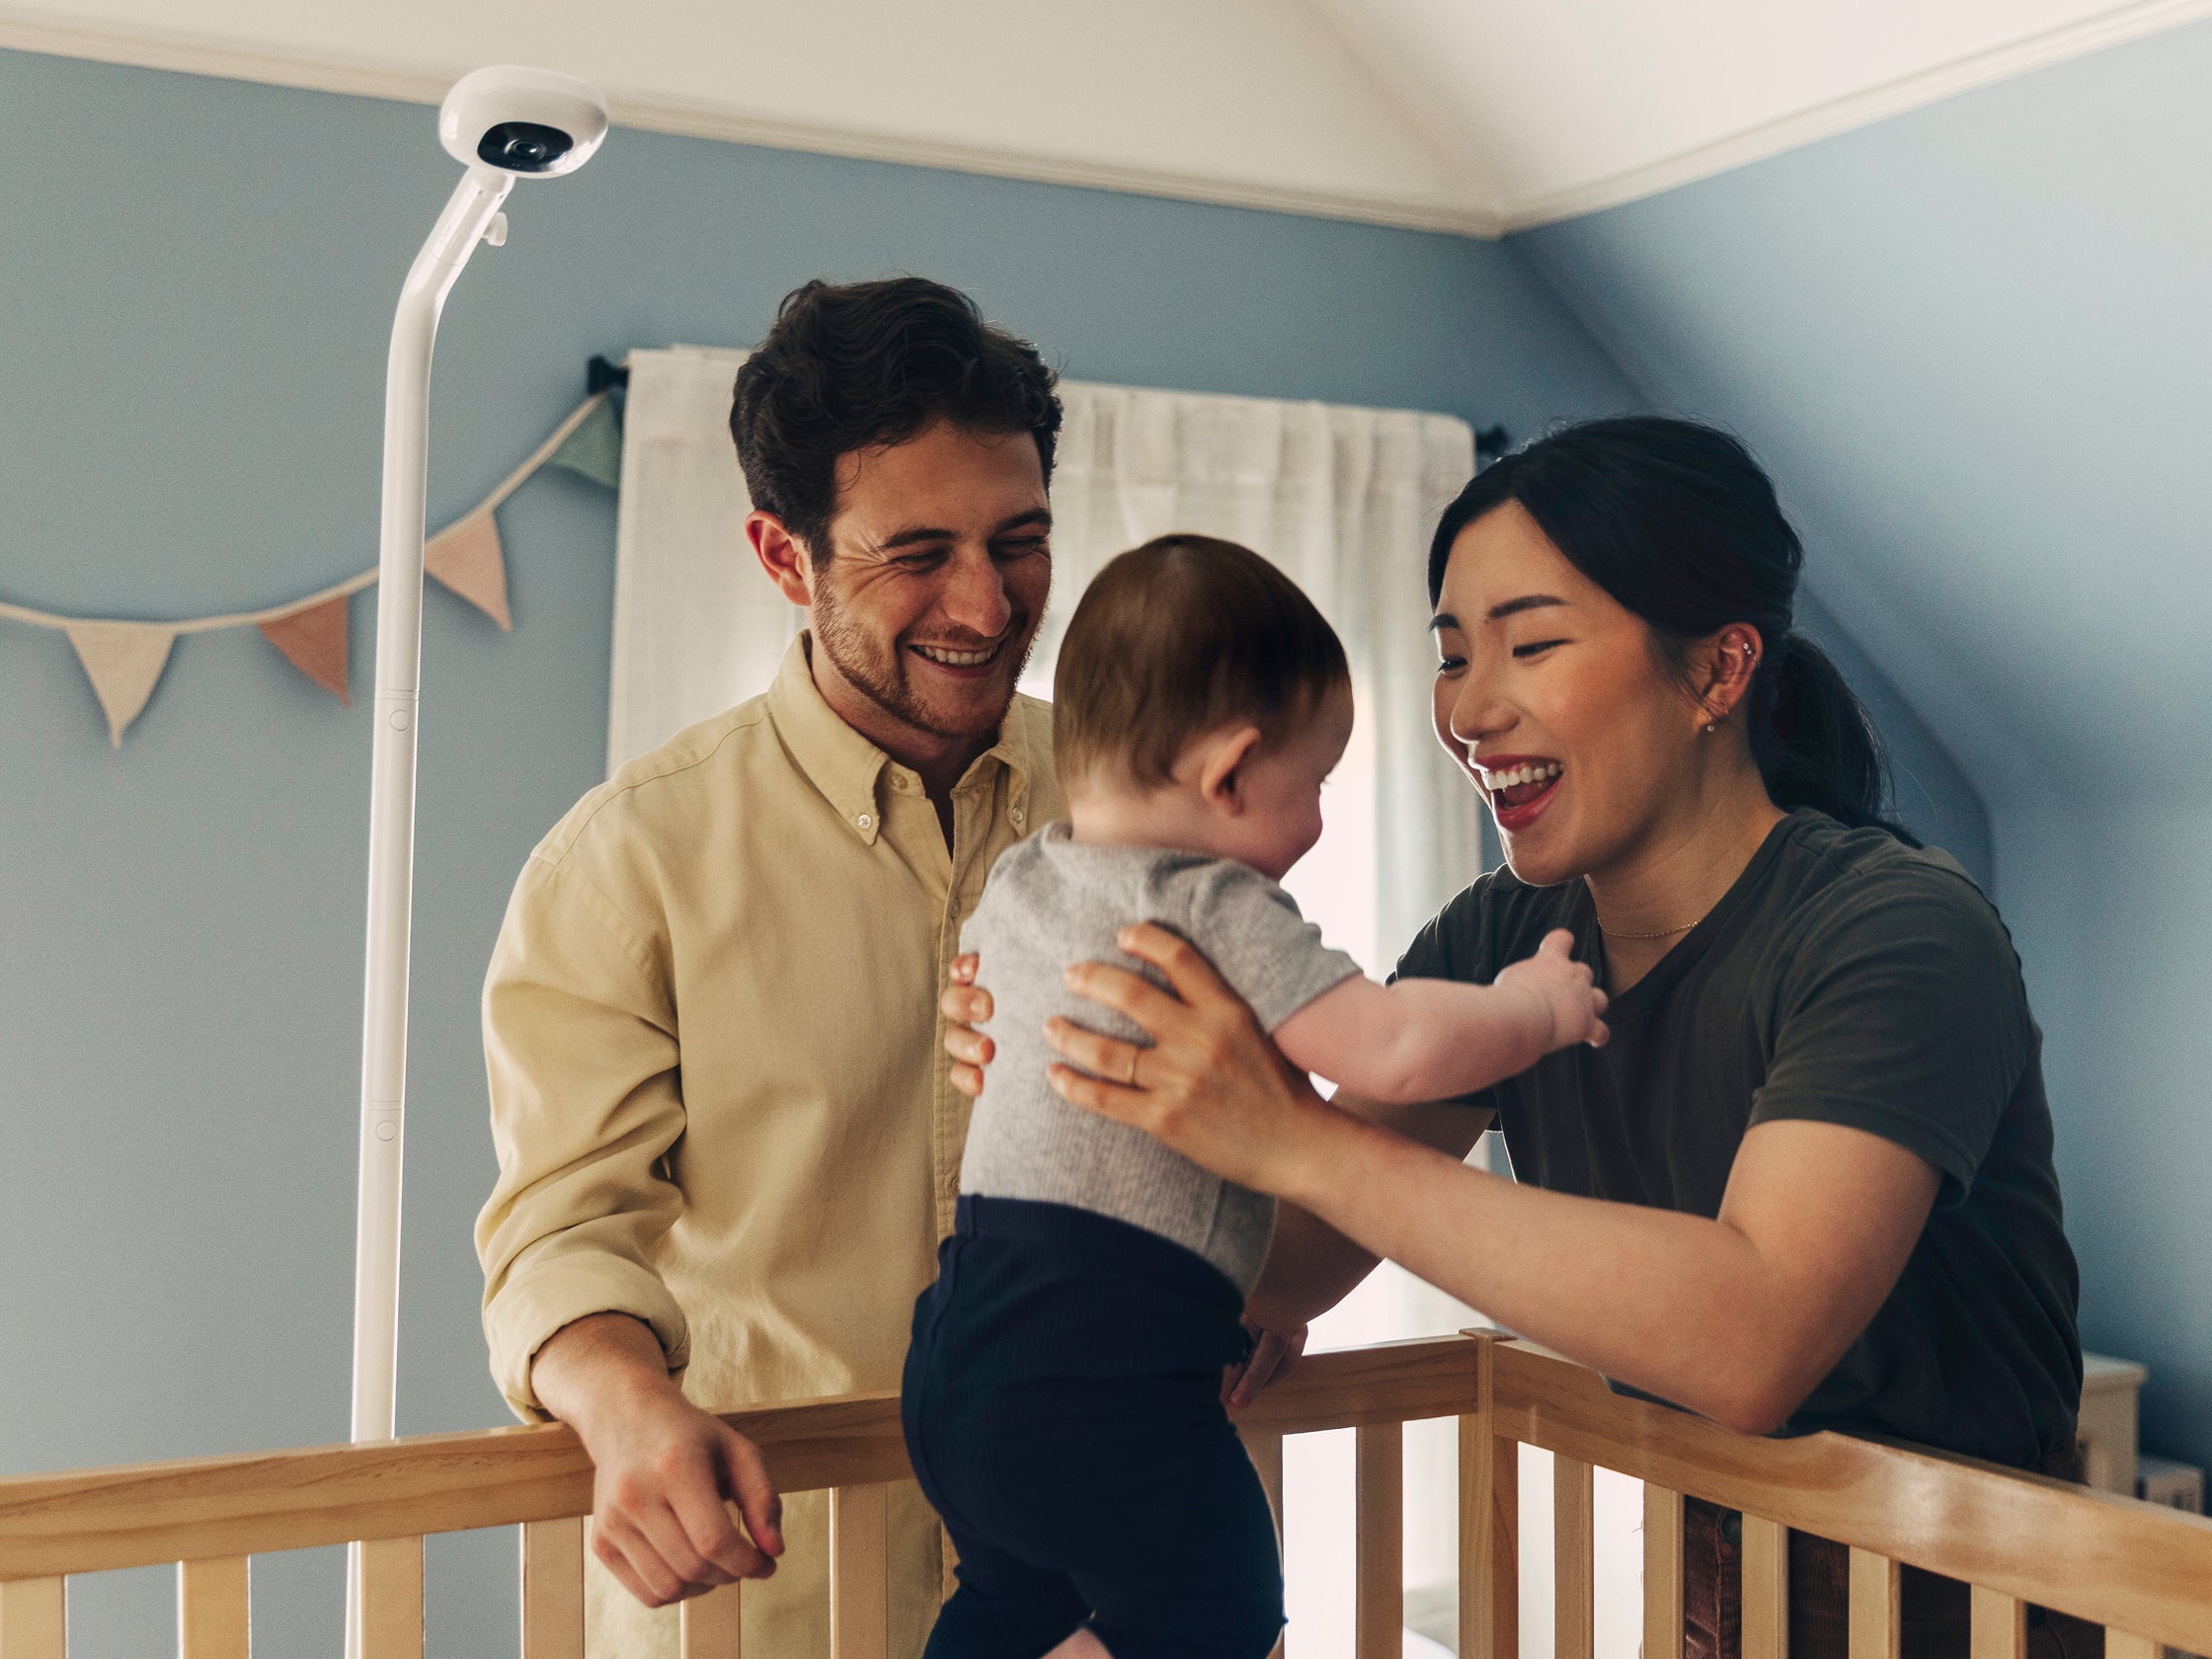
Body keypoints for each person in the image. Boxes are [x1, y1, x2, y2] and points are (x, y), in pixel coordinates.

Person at [943, 418, 2092, 1659]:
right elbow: (1290, 1261)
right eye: (1448, 657)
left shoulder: (1893, 932)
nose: (1469, 712)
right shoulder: (1506, 937)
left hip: (1956, 1601)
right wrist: (1086, 1075)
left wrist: (1286, 1137)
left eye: (1530, 644)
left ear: (1716, 671)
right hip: (1710, 1579)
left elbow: (1751, 1339)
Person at [477, 276, 1065, 1659]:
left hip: (1090, 1586)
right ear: (781, 555)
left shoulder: (1139, 790)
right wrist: (625, 1411)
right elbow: (560, 1240)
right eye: (916, 553)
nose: (985, 603)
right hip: (769, 1608)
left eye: (1021, 540)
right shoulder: (627, 863)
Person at [903, 536, 1607, 1659]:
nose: (1319, 819)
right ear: (1228, 775)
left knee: (1010, 1601)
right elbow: (1394, 1052)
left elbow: (980, 1044)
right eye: (1312, 784)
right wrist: (1533, 1006)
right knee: (1216, 1617)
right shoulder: (1208, 904)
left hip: (959, 1359)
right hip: (1104, 1365)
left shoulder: (1026, 878)